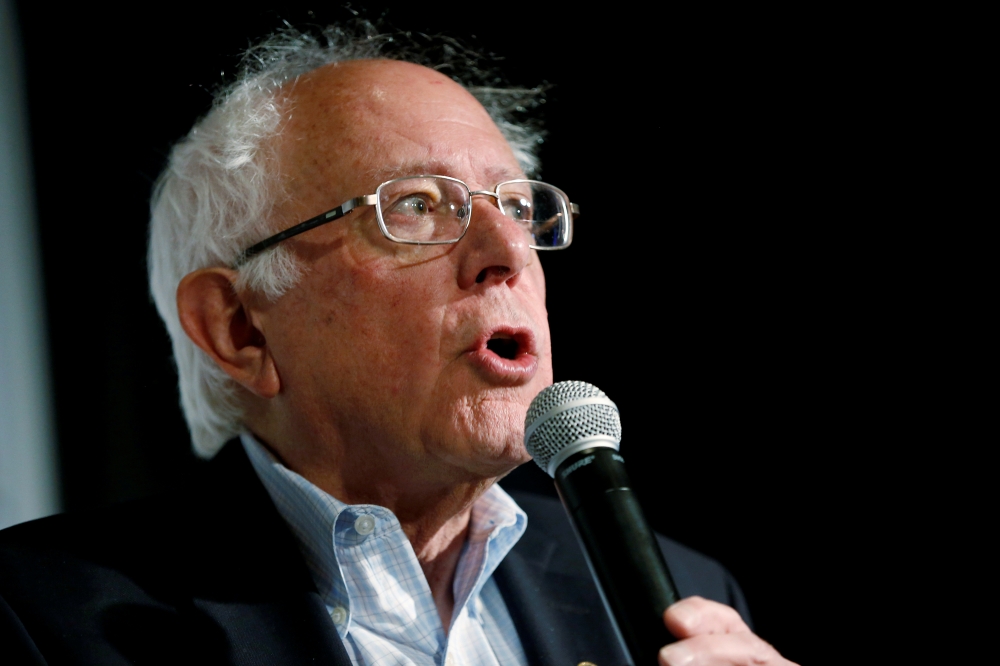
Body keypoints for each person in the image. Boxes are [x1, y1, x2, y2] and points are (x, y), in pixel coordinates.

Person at [0, 26, 797, 666]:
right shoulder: (43, 618)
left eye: (518, 206)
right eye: (416, 206)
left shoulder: (685, 597)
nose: (508, 252)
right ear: (239, 328)